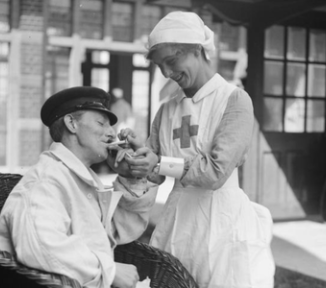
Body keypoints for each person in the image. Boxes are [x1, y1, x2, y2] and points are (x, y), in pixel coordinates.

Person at [116, 11, 275, 288]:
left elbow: (215, 173)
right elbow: (153, 172)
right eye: (159, 65)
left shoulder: (233, 100)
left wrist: (158, 163)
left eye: (172, 60)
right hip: (177, 222)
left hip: (222, 224)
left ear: (198, 50)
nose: (166, 72)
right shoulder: (167, 109)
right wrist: (136, 162)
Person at [0, 86, 159, 288]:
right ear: (72, 123)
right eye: (101, 123)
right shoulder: (45, 182)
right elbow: (41, 247)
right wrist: (110, 271)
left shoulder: (77, 176)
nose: (112, 134)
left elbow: (114, 231)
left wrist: (131, 176)